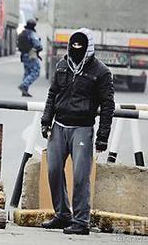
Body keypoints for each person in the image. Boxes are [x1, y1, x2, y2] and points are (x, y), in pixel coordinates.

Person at [40, 28, 114, 235]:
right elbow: (52, 94)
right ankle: (63, 215)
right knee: (54, 170)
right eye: (73, 45)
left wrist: (102, 137)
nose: (76, 49)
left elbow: (108, 105)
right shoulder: (62, 65)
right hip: (59, 126)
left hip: (83, 128)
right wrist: (46, 120)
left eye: (81, 46)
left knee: (81, 176)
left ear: (89, 47)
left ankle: (81, 221)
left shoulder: (101, 72)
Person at [17, 18, 43, 97]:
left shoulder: (22, 33)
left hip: (24, 55)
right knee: (36, 72)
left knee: (27, 72)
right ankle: (24, 85)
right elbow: (38, 45)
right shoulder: (31, 34)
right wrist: (39, 49)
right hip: (31, 54)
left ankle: (25, 91)